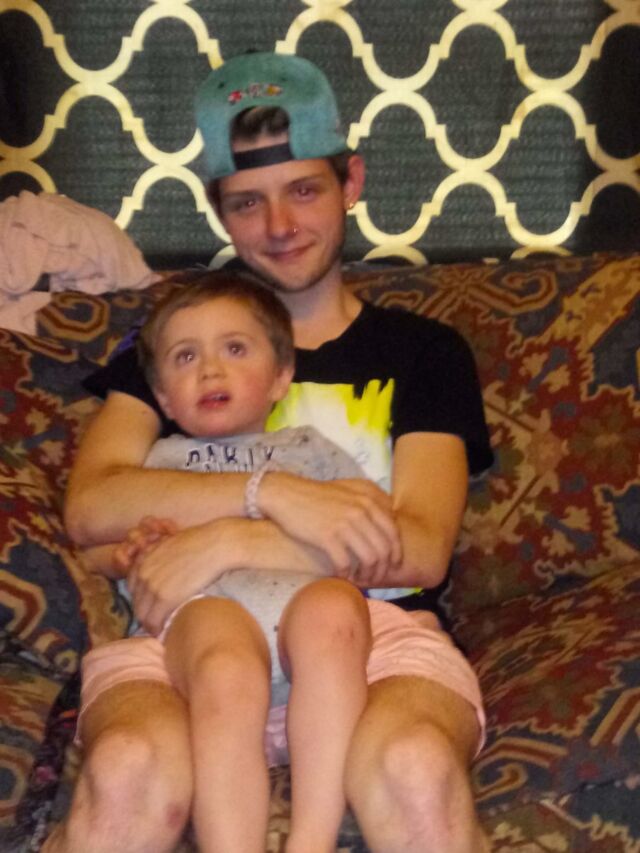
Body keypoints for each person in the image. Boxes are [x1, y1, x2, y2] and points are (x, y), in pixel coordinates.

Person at [47, 51, 494, 853]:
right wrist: (276, 493)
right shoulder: (180, 346)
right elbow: (92, 505)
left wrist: (230, 535)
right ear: (220, 211)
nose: (280, 226)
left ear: (351, 181)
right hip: (192, 638)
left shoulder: (424, 352)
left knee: (416, 768)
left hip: (374, 634)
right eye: (248, 201)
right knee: (125, 768)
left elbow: (421, 547)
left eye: (304, 190)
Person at [102, 274, 373, 850]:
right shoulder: (157, 464)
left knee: (334, 607)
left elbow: (370, 531)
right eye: (185, 356)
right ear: (164, 398)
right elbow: (113, 544)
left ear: (281, 376)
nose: (210, 370)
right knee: (225, 660)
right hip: (208, 616)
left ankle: (312, 840)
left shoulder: (312, 452)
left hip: (307, 633)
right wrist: (133, 550)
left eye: (234, 348)